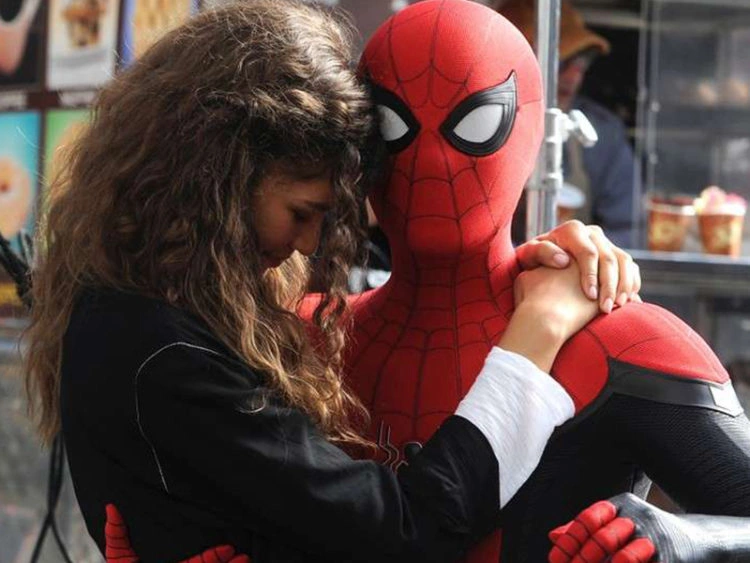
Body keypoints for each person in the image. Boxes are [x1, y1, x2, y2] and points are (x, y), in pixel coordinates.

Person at [21, 1, 640, 561]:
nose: (308, 244)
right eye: (301, 212)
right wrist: (537, 332)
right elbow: (407, 532)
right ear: (220, 179)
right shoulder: (168, 353)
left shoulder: (149, 310)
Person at [500, 0, 636, 247]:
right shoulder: (477, 128)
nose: (574, 76)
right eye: (561, 62)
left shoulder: (602, 133)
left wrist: (585, 256)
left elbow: (627, 229)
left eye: (583, 61)